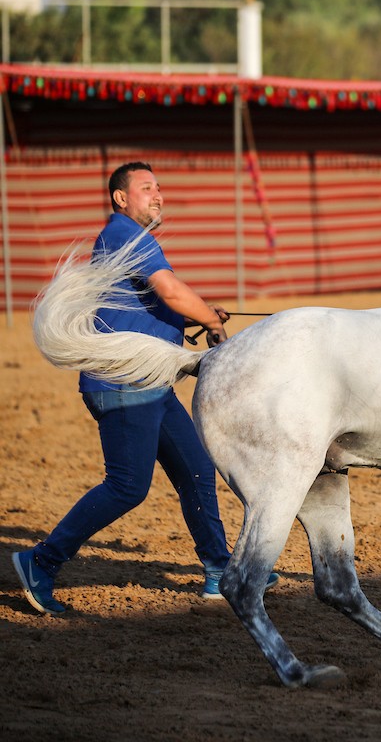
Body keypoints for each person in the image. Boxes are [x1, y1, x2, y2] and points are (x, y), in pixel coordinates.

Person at [12, 162, 274, 614]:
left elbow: (157, 301)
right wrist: (208, 318)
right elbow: (169, 290)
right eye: (147, 188)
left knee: (195, 469)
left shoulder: (127, 237)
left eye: (159, 187)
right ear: (120, 198)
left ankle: (218, 570)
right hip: (124, 383)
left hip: (149, 383)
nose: (158, 195)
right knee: (127, 487)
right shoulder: (125, 233)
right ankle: (40, 561)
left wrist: (198, 314)